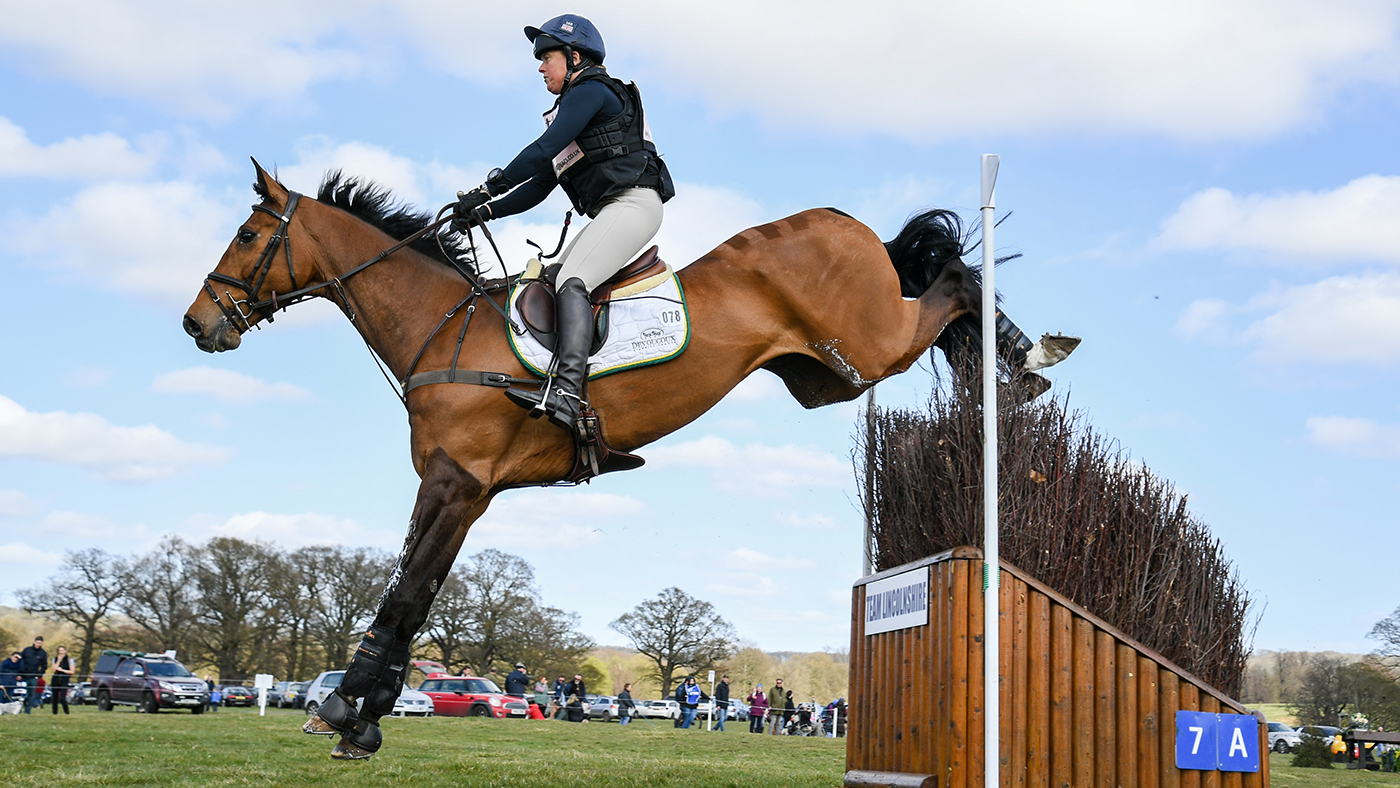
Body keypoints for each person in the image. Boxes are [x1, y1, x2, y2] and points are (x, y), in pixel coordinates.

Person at [452, 13, 674, 431]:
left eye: (546, 58)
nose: (540, 68)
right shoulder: (578, 109)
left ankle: (569, 392)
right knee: (553, 277)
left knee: (572, 282)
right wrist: (485, 212)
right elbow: (541, 182)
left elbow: (544, 149)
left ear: (574, 57)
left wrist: (488, 187)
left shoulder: (591, 91)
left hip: (635, 203)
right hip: (618, 208)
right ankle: (557, 380)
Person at [19, 636, 47, 714]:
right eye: (37, 642)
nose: (38, 644)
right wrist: (20, 673)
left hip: (33, 676)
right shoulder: (26, 650)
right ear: (34, 642)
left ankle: (27, 712)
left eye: (40, 643)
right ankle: (18, 709)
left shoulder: (43, 653)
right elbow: (20, 661)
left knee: (31, 694)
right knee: (22, 694)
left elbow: (44, 665)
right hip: (23, 675)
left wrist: (39, 675)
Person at [49, 645, 75, 715]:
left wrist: (62, 670)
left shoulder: (70, 660)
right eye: (59, 651)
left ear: (65, 651)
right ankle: (55, 713)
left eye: (62, 650)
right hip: (55, 679)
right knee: (54, 698)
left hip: (64, 679)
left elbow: (72, 671)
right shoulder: (54, 659)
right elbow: (54, 670)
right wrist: (58, 660)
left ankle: (67, 712)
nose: (61, 652)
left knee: (62, 698)